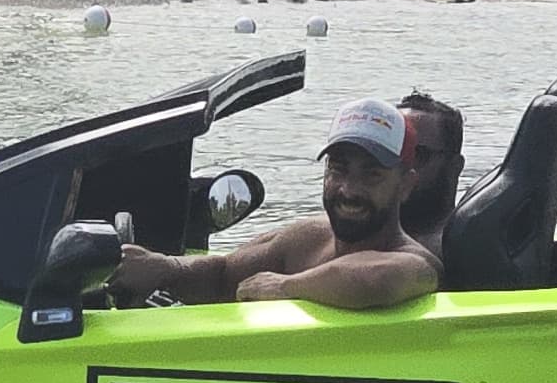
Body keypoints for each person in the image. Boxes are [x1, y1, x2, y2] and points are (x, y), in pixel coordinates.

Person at [116, 99, 441, 313]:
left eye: (372, 175)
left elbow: (376, 280)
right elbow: (223, 275)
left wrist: (287, 286)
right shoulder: (307, 238)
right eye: (338, 169)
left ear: (406, 185)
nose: (349, 190)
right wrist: (163, 267)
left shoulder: (415, 262)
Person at [398, 91, 465, 265]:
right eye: (392, 153)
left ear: (454, 167)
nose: (399, 166)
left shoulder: (466, 248)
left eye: (416, 155)